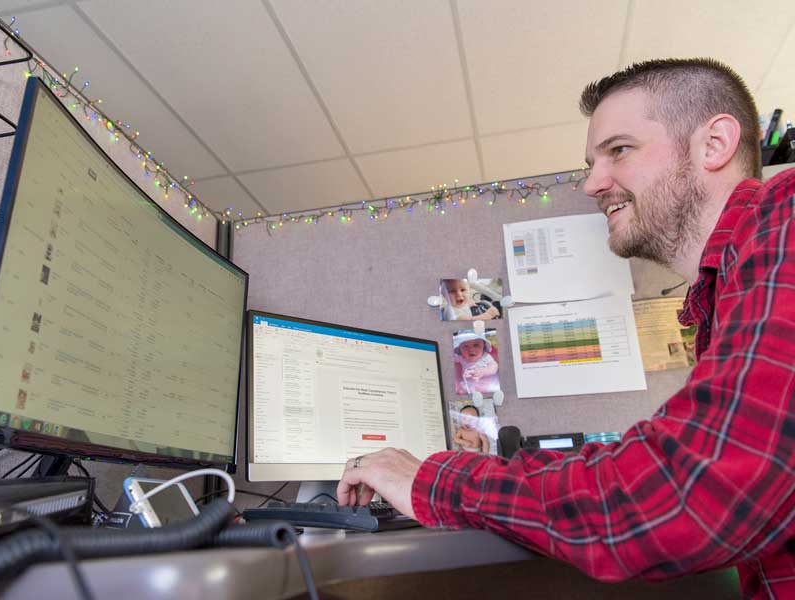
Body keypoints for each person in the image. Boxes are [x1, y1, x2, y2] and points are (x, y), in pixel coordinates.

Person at [338, 58, 795, 599]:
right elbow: (661, 463)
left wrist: (431, 481)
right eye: (590, 162)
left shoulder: (784, 217)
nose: (591, 184)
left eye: (619, 150)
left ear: (714, 144)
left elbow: (687, 494)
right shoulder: (724, 295)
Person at [453, 331, 499, 395]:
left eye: (476, 345)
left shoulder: (485, 356)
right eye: (466, 346)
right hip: (467, 385)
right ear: (460, 349)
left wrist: (483, 371)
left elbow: (495, 366)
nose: (471, 349)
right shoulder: (461, 358)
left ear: (483, 346)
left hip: (485, 385)